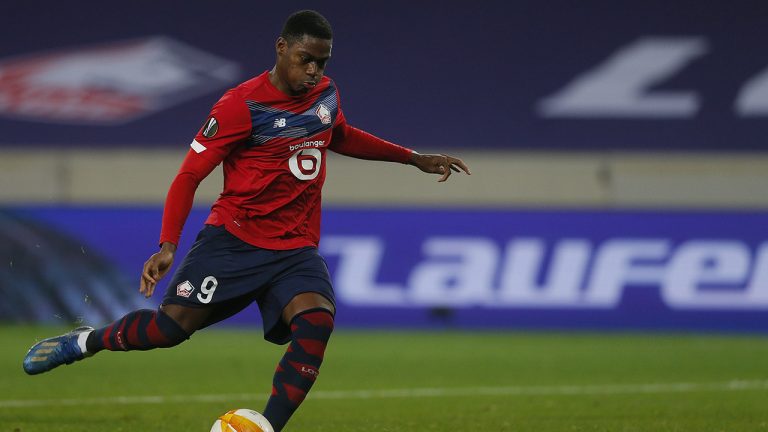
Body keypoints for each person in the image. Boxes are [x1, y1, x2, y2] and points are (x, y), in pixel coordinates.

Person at [22, 9, 470, 432]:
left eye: (321, 61)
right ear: (281, 48)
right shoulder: (241, 106)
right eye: (305, 59)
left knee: (317, 321)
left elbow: (341, 135)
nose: (313, 70)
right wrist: (167, 244)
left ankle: (267, 425)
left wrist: (412, 159)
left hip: (294, 249)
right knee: (167, 330)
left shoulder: (326, 95)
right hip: (233, 242)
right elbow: (189, 175)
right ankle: (84, 342)